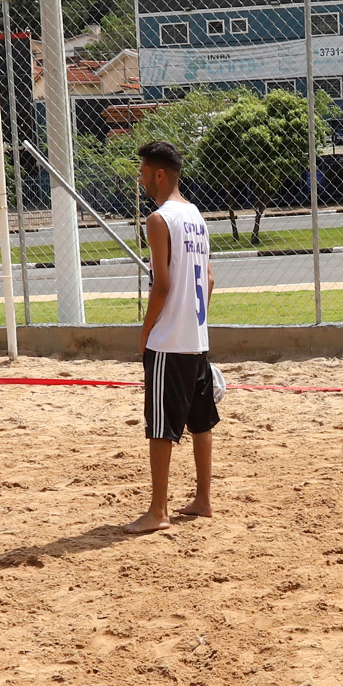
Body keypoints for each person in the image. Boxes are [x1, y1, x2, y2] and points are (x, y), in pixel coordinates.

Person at [127, 140, 218, 535]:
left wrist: (146, 334)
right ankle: (202, 500)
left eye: (144, 172)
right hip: (197, 338)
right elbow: (210, 279)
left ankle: (158, 510)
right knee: (200, 422)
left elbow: (161, 286)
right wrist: (193, 318)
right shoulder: (196, 215)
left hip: (170, 341)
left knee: (160, 426)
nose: (141, 179)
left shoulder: (159, 219)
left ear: (159, 174)